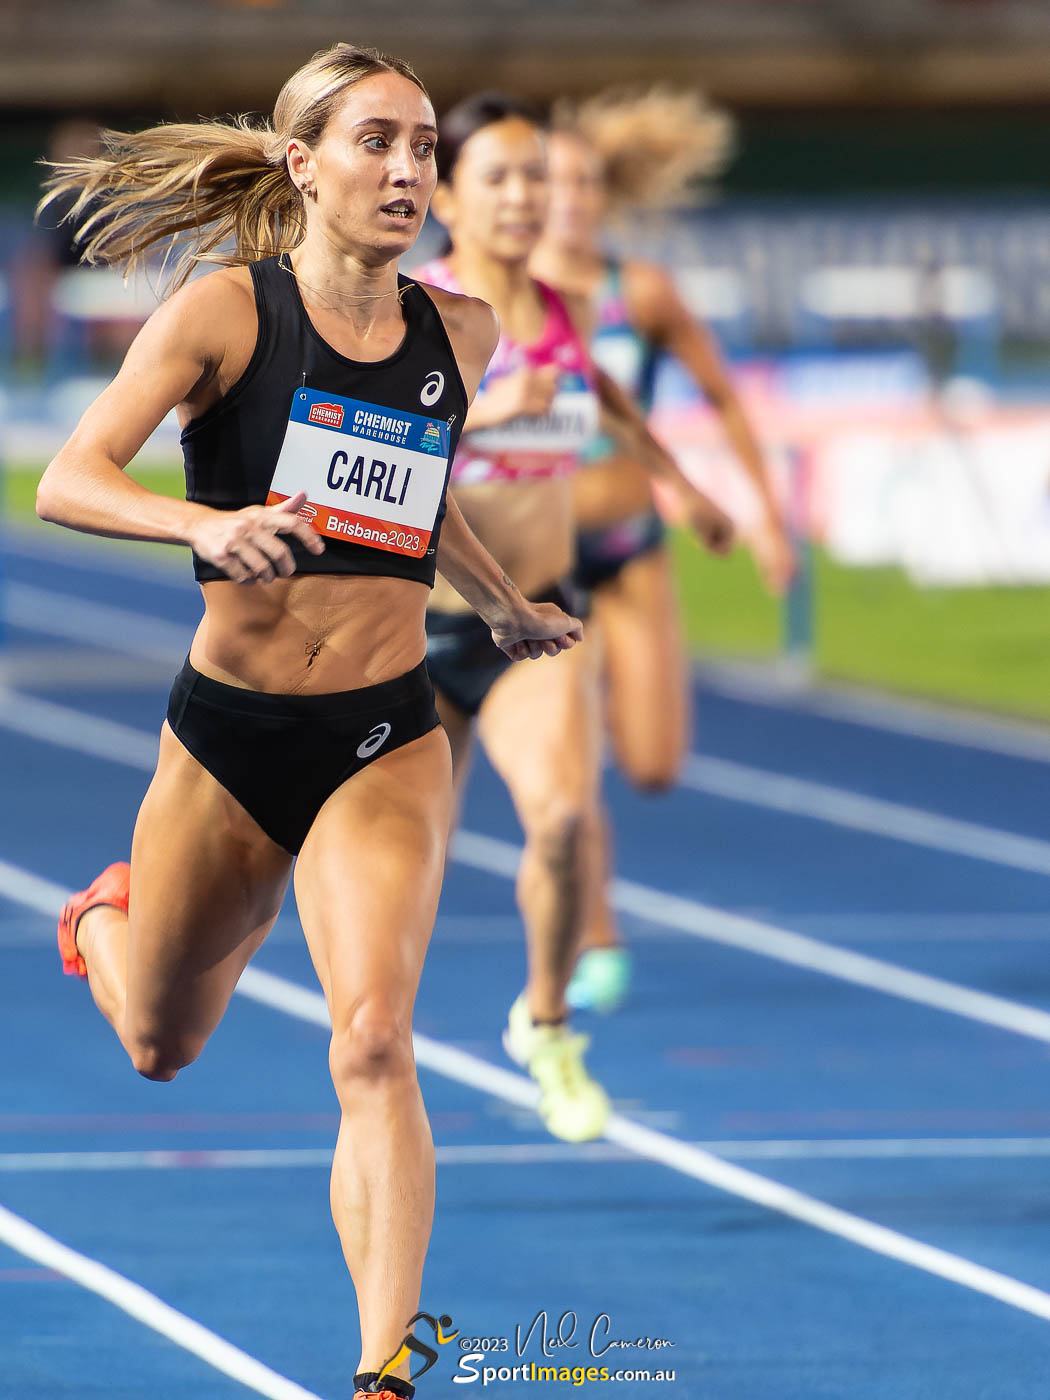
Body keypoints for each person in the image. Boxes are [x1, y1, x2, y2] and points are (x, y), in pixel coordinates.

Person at [36, 46, 582, 1400]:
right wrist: (206, 522)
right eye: (374, 145)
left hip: (380, 737)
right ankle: (100, 919)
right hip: (228, 737)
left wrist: (502, 599)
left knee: (373, 1039)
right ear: (304, 164)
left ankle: (383, 1372)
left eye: (421, 149)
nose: (407, 172)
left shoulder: (462, 333)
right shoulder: (225, 313)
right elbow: (67, 478)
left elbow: (421, 490)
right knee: (159, 1046)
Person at [413, 94, 733, 1141]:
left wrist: (682, 484)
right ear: (447, 196)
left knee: (559, 818)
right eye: (498, 177)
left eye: (534, 178)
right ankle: (371, 1051)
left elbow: (603, 393)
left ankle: (547, 1024)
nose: (523, 197)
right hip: (416, 634)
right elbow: (356, 465)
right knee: (404, 870)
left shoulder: (559, 307)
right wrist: (473, 415)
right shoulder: (418, 310)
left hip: (533, 625)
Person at [529, 88, 795, 1013]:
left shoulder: (638, 293)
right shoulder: (496, 291)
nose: (567, 199)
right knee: (571, 759)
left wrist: (765, 516)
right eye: (550, 181)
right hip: (542, 557)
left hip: (631, 541)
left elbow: (722, 398)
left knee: (651, 764)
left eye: (584, 182)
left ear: (605, 195)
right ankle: (595, 929)